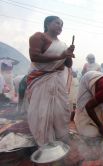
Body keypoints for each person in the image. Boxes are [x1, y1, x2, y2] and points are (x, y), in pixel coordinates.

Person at [22, 16, 75, 146]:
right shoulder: (38, 37)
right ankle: (44, 140)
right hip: (40, 79)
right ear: (47, 23)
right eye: (57, 23)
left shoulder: (62, 45)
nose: (60, 27)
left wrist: (68, 53)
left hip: (57, 80)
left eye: (62, 25)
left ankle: (59, 135)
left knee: (60, 110)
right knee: (42, 111)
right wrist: (61, 55)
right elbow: (34, 57)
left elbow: (67, 64)